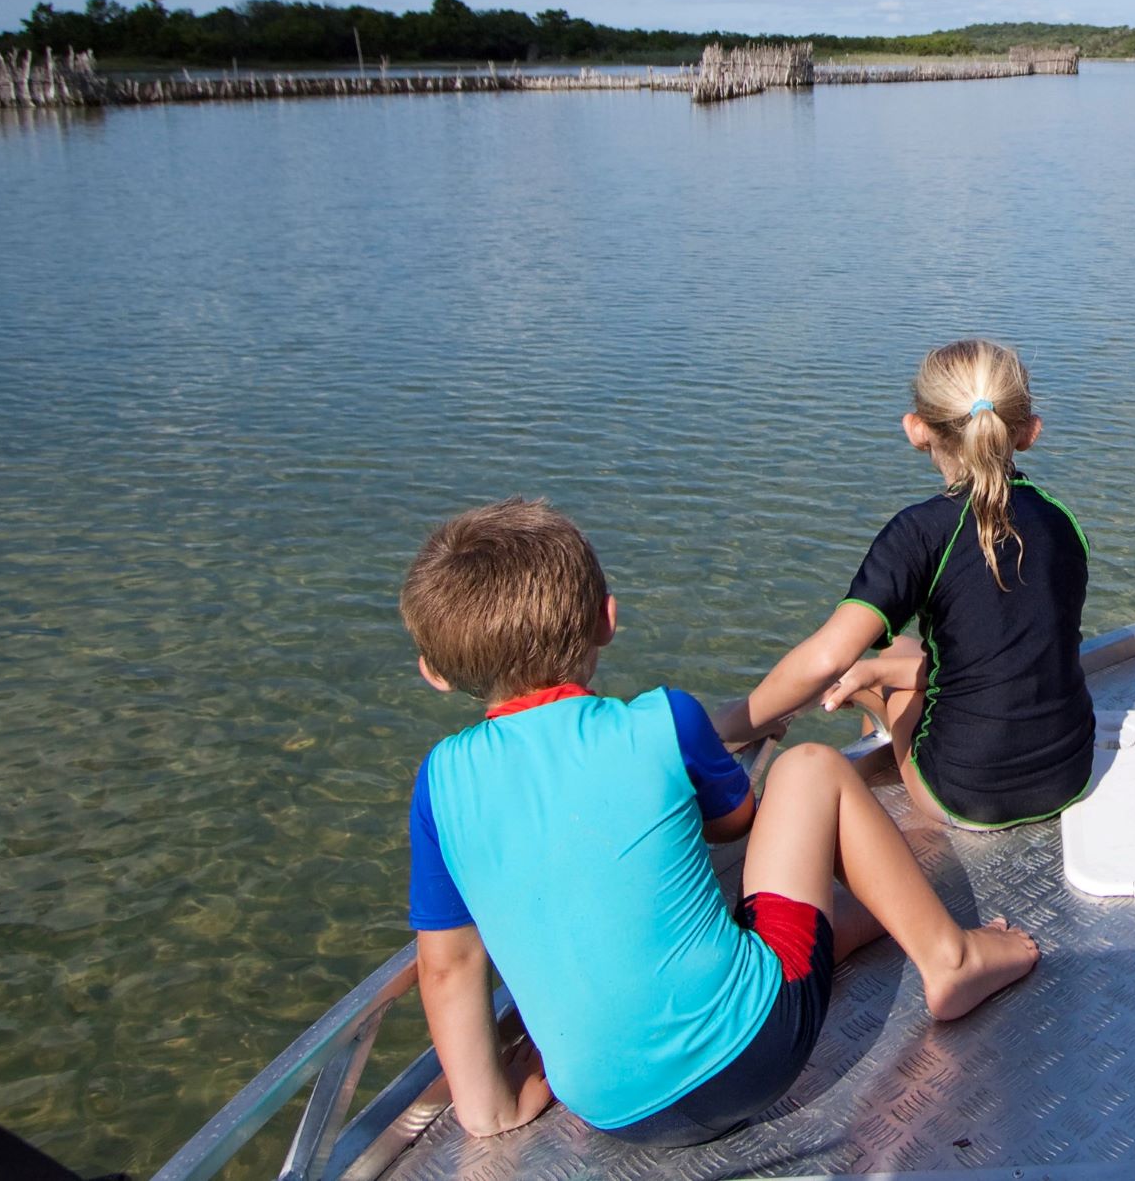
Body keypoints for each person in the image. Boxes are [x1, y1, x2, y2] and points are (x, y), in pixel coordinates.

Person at [400, 498, 1037, 1146]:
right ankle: (950, 956)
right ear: (606, 619)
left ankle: (864, 922)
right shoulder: (661, 720)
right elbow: (736, 823)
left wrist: (491, 1110)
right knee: (809, 769)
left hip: (612, 1113)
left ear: (435, 671)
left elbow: (448, 964)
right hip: (757, 1050)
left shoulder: (439, 783)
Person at [720, 340, 1096, 830]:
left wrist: (726, 725)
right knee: (899, 650)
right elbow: (1009, 649)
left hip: (965, 794)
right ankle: (881, 684)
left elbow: (827, 659)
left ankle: (909, 835)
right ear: (1029, 432)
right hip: (1070, 773)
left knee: (883, 664)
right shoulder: (1061, 519)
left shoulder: (918, 532)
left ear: (916, 429)